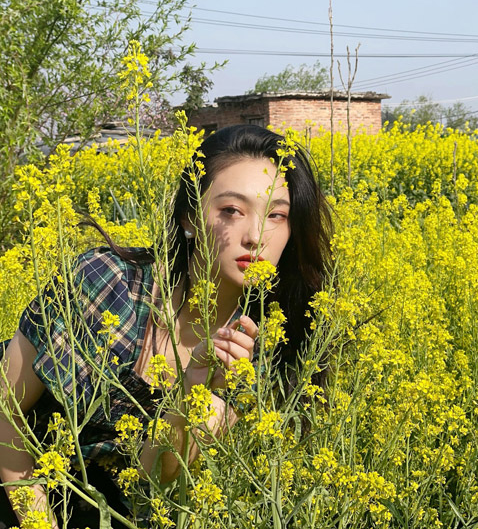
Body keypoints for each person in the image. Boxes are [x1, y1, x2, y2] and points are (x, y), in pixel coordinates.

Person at [0, 125, 333, 527]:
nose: (256, 236)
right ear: (190, 218)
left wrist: (196, 387)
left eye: (277, 215)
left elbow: (152, 480)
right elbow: (7, 414)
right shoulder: (108, 284)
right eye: (231, 210)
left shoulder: (256, 349)